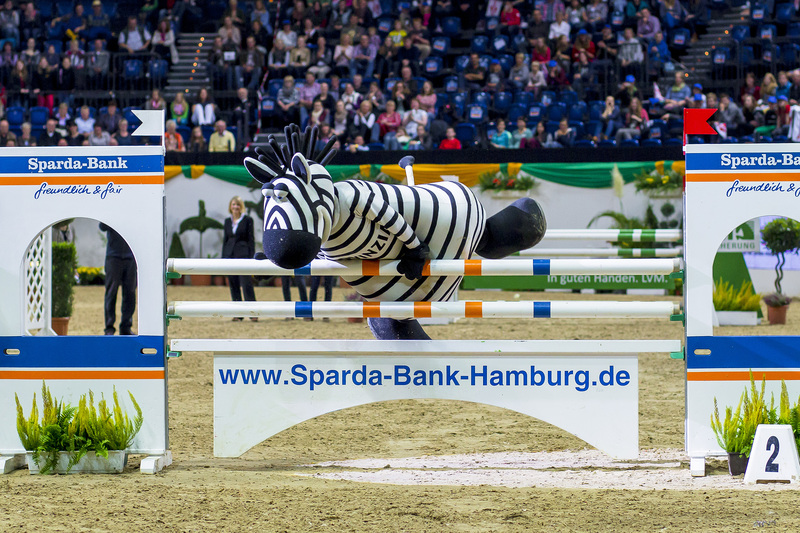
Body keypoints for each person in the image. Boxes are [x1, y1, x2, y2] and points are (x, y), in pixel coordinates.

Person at [223, 196, 257, 321]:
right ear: (230, 207)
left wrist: (251, 256)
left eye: (238, 205)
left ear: (241, 207)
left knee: (246, 284)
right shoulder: (227, 221)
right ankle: (238, 314)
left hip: (243, 255)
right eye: (233, 204)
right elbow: (225, 240)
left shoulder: (248, 220)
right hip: (230, 255)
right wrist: (223, 258)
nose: (235, 207)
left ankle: (253, 313)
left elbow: (251, 239)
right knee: (233, 285)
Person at [100, 223, 137, 336]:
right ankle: (109, 327)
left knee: (130, 293)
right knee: (111, 292)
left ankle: (126, 326)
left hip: (131, 256)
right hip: (113, 256)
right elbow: (102, 227)